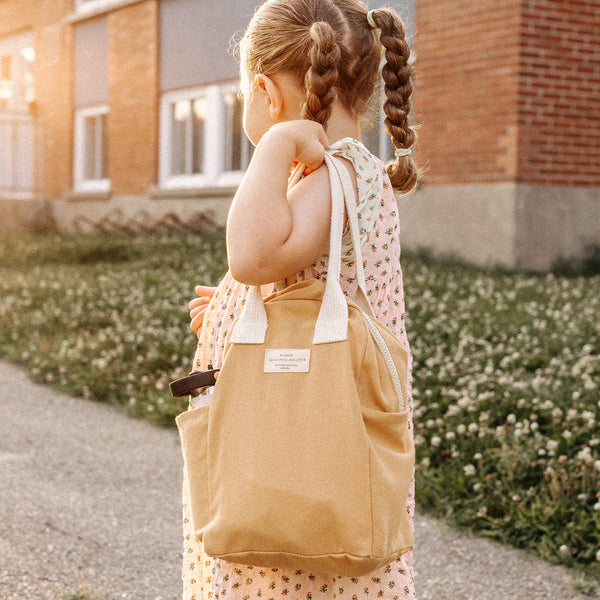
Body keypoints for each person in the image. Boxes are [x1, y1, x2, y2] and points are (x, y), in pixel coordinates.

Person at [184, 0, 418, 597]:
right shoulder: (339, 176)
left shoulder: (334, 176)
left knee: (293, 562)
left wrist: (276, 144)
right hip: (308, 415)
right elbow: (293, 279)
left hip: (304, 444)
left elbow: (253, 256)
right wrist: (235, 308)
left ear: (265, 91)